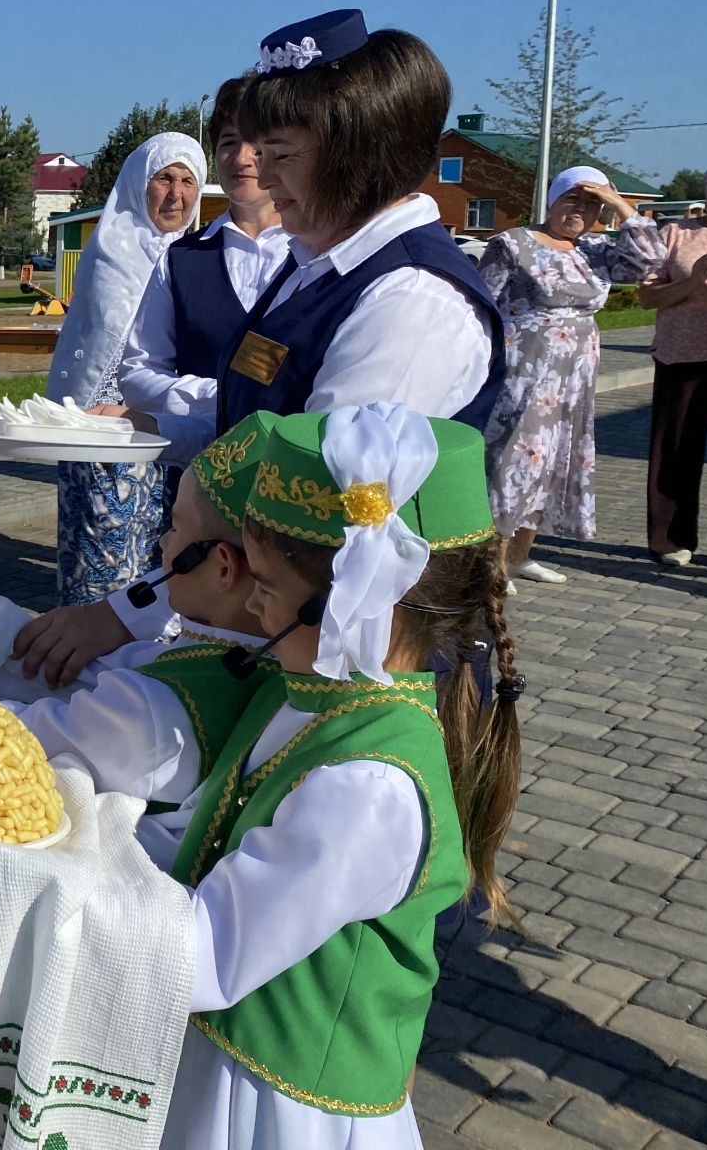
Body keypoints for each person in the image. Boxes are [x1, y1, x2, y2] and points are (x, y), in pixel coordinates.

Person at [22, 10, 505, 689]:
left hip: (354, 669)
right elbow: (260, 419)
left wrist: (125, 615)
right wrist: (147, 426)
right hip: (272, 632)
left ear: (357, 151)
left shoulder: (410, 304)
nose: (258, 175)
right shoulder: (314, 263)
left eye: (280, 155)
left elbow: (303, 513)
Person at [155, 404, 520, 1147]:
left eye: (267, 585)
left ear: (355, 608)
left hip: (285, 1111)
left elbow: (207, 952)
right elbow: (209, 836)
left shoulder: (370, 787)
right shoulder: (297, 699)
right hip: (229, 1058)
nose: (252, 605)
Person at [0, 413, 280, 869]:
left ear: (223, 568)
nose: (163, 543)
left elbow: (4, 739)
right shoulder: (276, 662)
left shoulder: (150, 709)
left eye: (177, 528)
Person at [45, 132, 204, 604]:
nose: (176, 194)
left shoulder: (196, 258)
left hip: (171, 426)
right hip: (105, 429)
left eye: (188, 181)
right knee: (103, 548)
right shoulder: (114, 250)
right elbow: (102, 346)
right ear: (139, 184)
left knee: (164, 556)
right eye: (164, 179)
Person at [477, 165, 650, 587]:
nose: (580, 211)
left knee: (554, 462)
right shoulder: (513, 244)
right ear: (552, 199)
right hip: (524, 374)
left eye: (591, 204)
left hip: (573, 381)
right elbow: (480, 308)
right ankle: (489, 564)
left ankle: (520, 556)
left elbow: (651, 260)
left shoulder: (596, 250)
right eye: (572, 199)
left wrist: (620, 206)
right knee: (515, 461)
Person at [120, 77, 290, 427]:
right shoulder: (182, 259)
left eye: (256, 144)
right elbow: (139, 372)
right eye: (229, 142)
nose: (241, 158)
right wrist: (218, 396)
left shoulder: (319, 254)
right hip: (197, 470)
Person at [635, 159, 707, 566]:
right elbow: (647, 297)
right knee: (676, 449)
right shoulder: (675, 233)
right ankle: (671, 540)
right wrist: (693, 282)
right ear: (706, 190)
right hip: (681, 353)